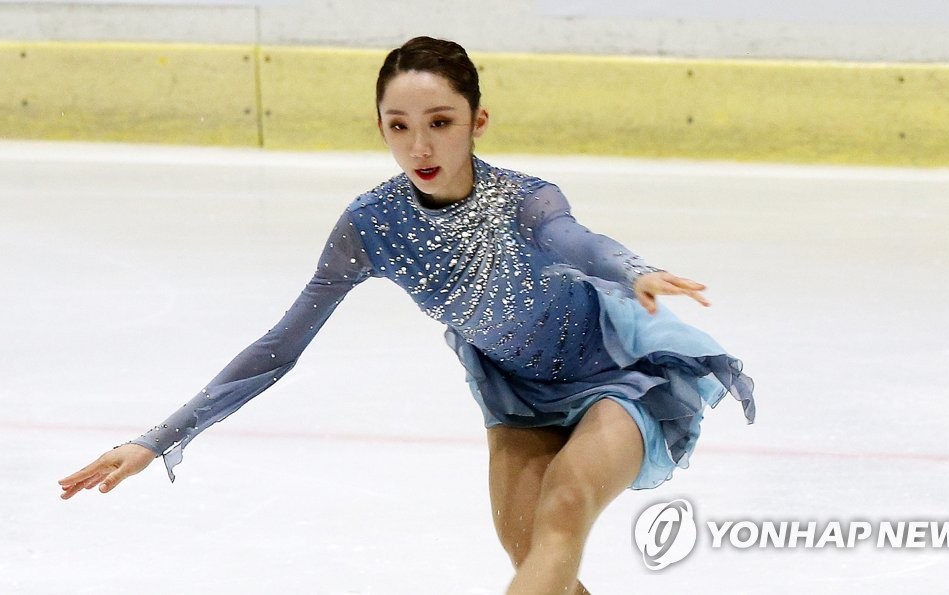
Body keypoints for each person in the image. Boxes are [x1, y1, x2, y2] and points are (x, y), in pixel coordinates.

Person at [59, 36, 755, 594]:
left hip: (611, 372)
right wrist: (158, 437)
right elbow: (279, 347)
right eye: (399, 126)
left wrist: (633, 269)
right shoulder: (371, 225)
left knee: (564, 509)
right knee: (536, 560)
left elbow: (577, 241)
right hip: (516, 396)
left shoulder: (526, 199)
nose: (419, 147)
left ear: (477, 122)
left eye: (440, 123)